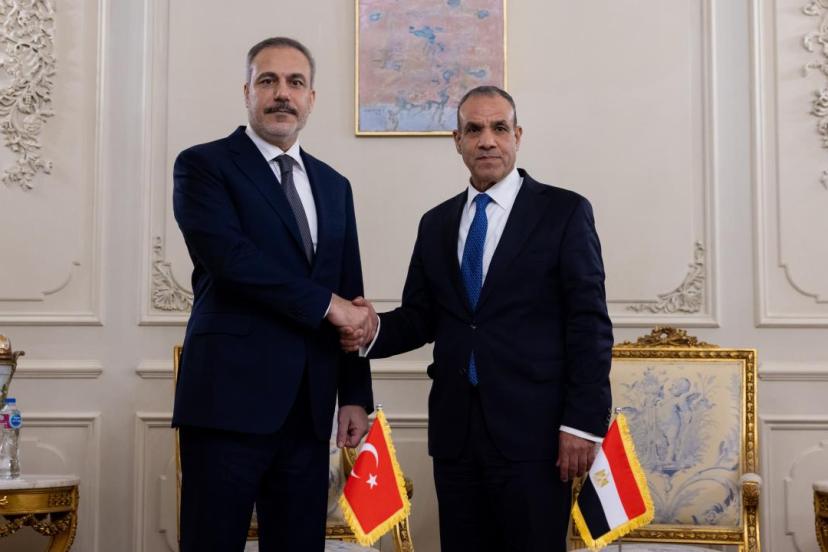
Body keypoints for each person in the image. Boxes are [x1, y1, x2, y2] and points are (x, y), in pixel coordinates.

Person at [342, 85, 613, 551]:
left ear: (517, 136)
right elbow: (421, 317)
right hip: (456, 437)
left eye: (499, 128)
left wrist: (582, 424)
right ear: (458, 140)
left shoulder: (564, 212)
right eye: (474, 129)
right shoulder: (436, 223)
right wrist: (370, 328)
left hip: (537, 437)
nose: (487, 140)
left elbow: (589, 324)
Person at [172, 37, 374, 552]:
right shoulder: (203, 165)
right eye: (268, 81)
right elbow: (231, 260)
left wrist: (354, 394)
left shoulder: (335, 185)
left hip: (309, 409)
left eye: (295, 82)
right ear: (247, 92)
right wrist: (328, 305)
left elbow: (350, 292)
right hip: (226, 403)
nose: (282, 93)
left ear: (311, 98)